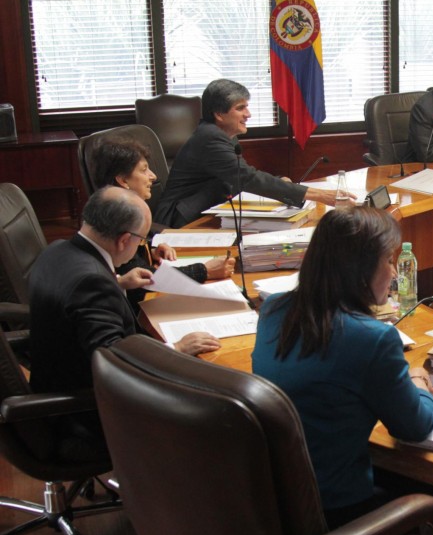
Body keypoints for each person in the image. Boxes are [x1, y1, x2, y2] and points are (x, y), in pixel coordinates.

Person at [251, 206, 433, 529]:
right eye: (388, 261)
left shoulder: (273, 308)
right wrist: (419, 382)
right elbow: (415, 427)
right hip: (338, 510)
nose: (394, 273)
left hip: (274, 503)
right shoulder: (374, 339)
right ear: (361, 269)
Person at [28, 187, 220, 458]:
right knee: (211, 408)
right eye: (141, 239)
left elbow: (74, 303)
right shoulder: (92, 283)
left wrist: (118, 282)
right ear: (124, 240)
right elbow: (115, 367)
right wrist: (175, 349)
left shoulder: (57, 250)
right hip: (87, 414)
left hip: (54, 386)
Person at [155, 78, 350, 228]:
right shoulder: (210, 138)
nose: (248, 114)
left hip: (206, 210)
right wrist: (319, 195)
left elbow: (240, 173)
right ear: (219, 114)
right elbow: (246, 178)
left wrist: (279, 182)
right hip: (180, 220)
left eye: (246, 107)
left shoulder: (222, 134)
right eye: (240, 108)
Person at [92, 138, 236, 310]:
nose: (153, 176)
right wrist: (204, 270)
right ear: (123, 181)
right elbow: (142, 280)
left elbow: (129, 266)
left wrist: (147, 251)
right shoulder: (118, 217)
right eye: (144, 170)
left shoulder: (108, 207)